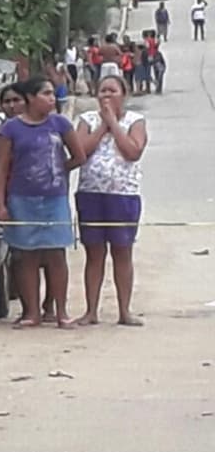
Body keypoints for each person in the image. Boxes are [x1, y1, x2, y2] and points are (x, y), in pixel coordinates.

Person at [0, 77, 86, 329]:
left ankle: (61, 312)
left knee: (57, 254)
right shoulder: (10, 129)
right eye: (45, 94)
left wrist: (58, 170)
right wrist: (1, 204)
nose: (51, 98)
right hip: (21, 198)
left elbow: (79, 156)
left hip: (54, 198)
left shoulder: (60, 124)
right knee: (27, 255)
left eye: (52, 94)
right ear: (31, 98)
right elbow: (2, 169)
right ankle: (31, 312)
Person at [74, 75, 148, 326]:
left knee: (122, 252)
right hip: (91, 193)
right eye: (102, 91)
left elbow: (132, 151)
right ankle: (91, 311)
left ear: (123, 94)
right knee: (94, 253)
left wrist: (114, 123)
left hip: (123, 195)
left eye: (112, 91)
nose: (106, 95)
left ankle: (124, 311)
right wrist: (103, 126)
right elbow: (81, 151)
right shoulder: (87, 121)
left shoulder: (135, 121)